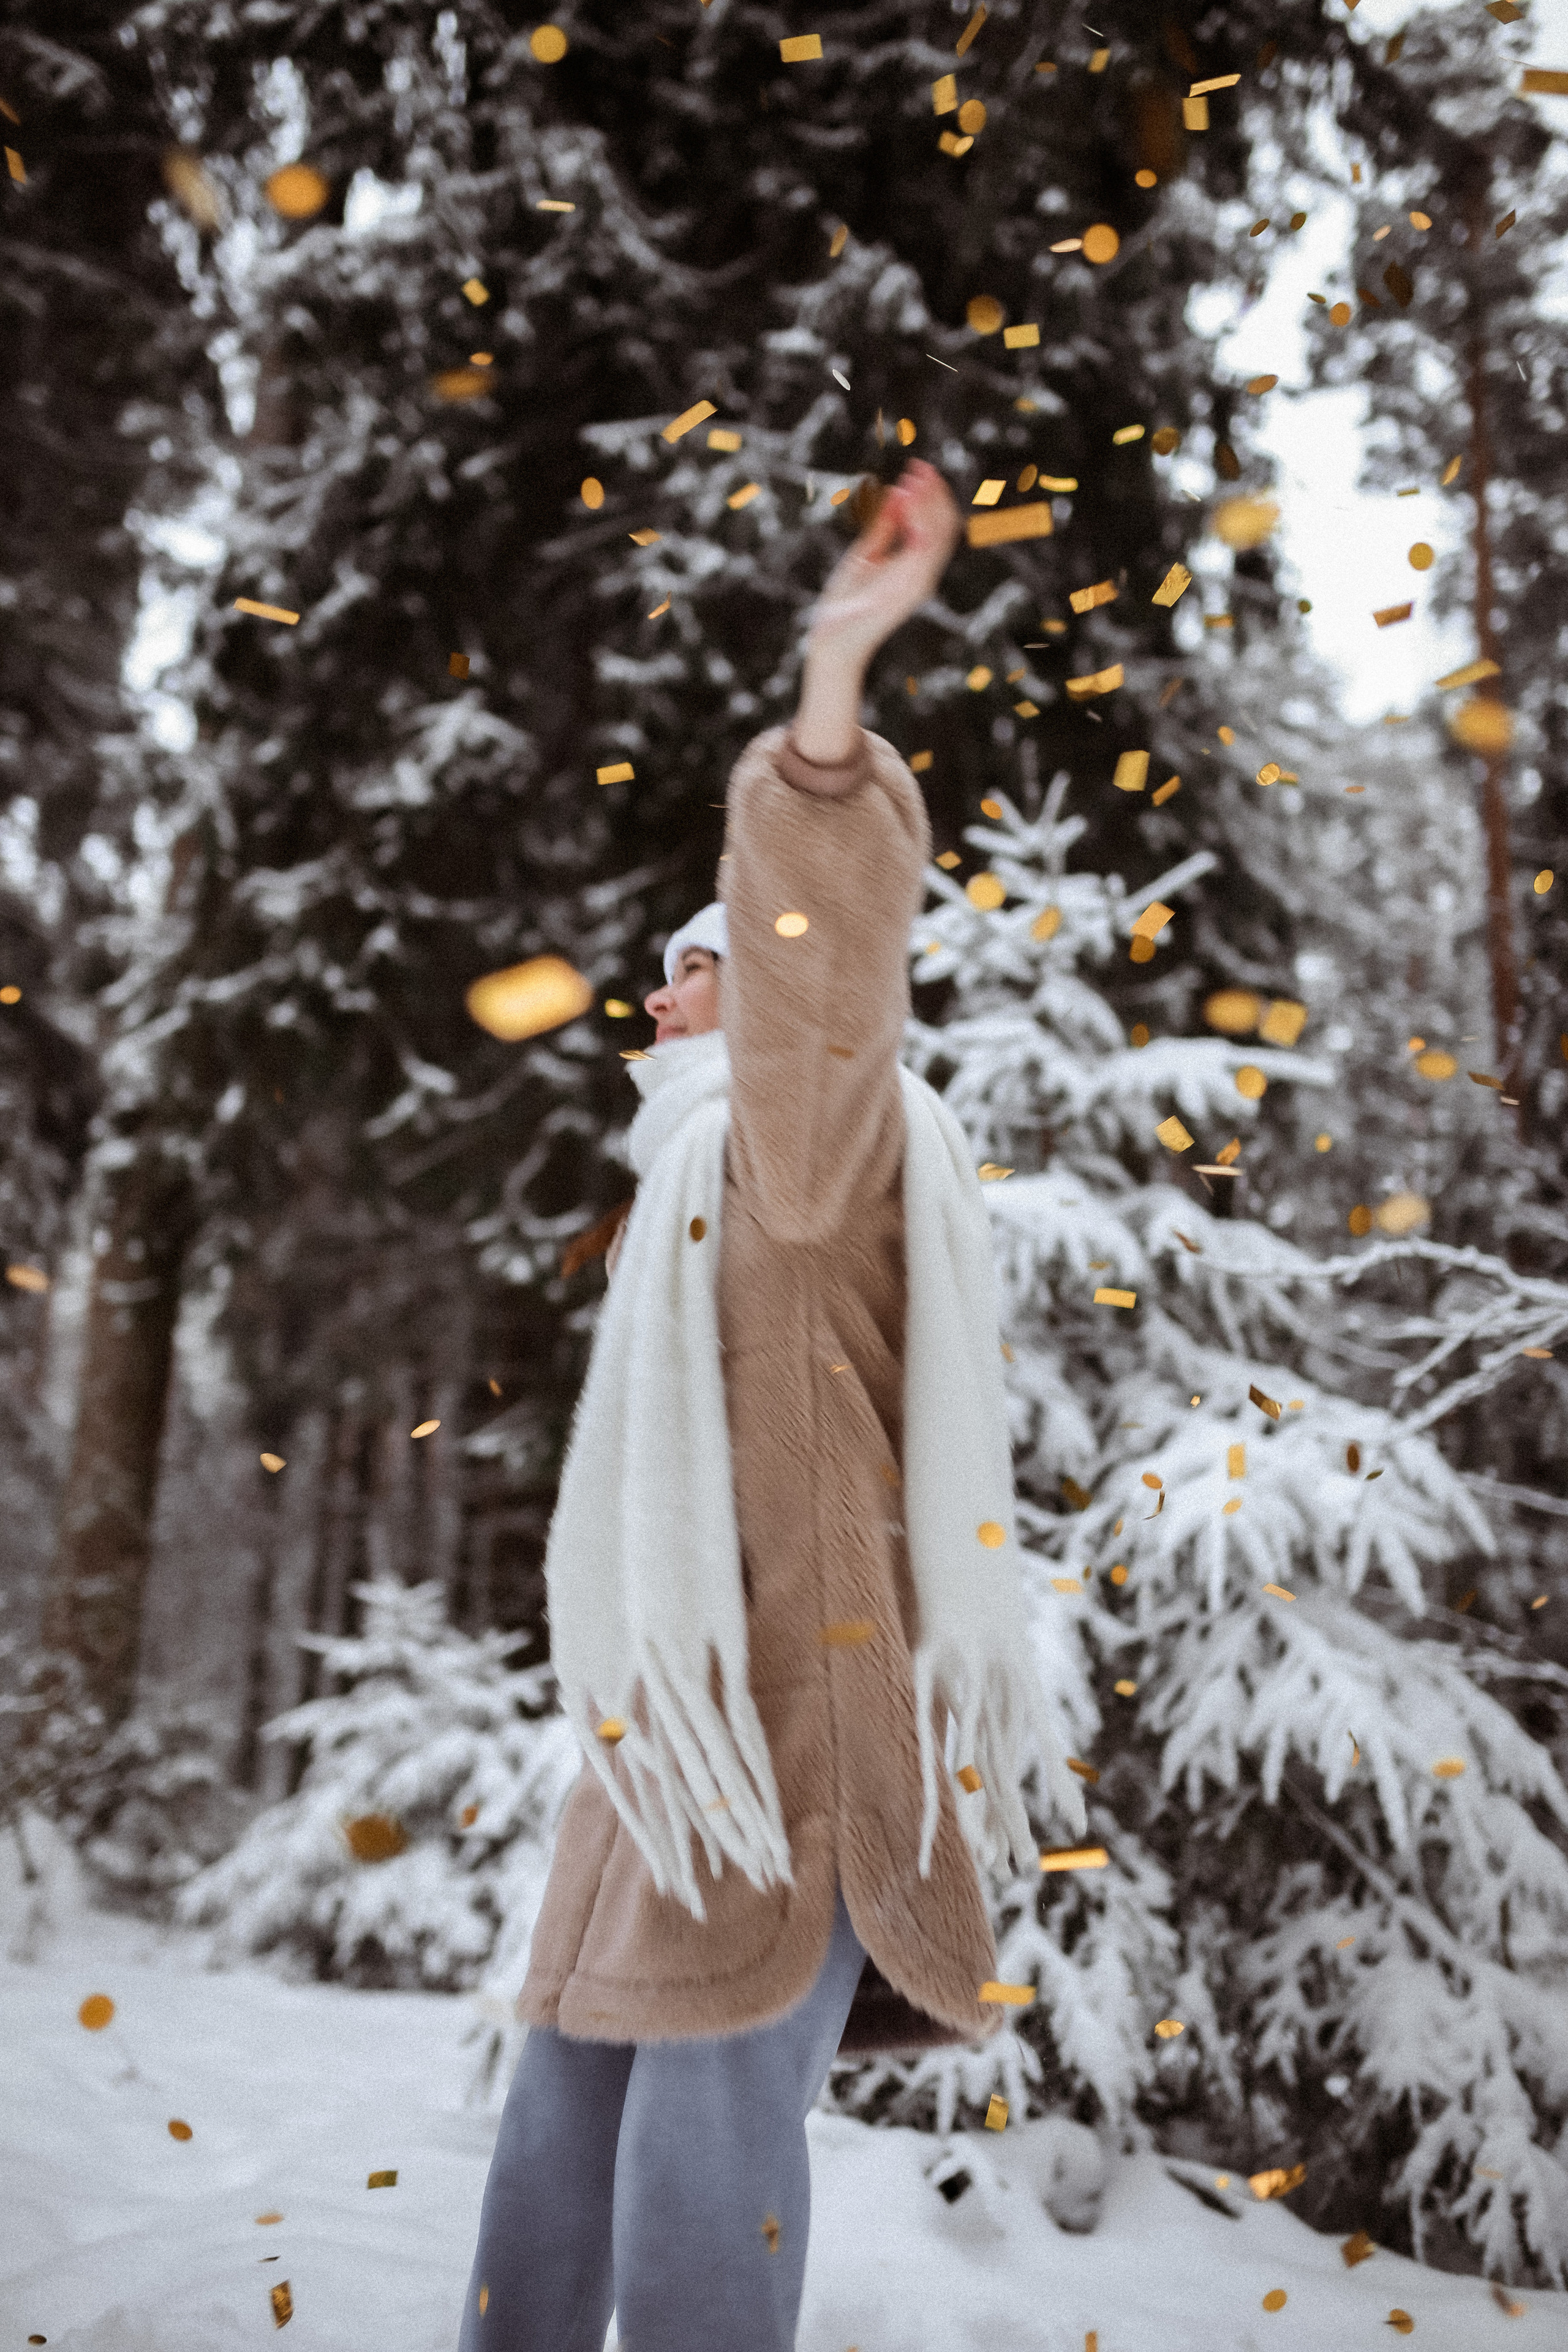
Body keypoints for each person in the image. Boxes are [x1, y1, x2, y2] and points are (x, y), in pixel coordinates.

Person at [456, 460, 1085, 2352]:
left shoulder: (805, 1163)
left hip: (789, 1769)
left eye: (692, 971)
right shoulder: (702, 1203)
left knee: (684, 2202)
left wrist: (834, 680)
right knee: (544, 2189)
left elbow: (823, 960)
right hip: (671, 1770)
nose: (655, 1006)